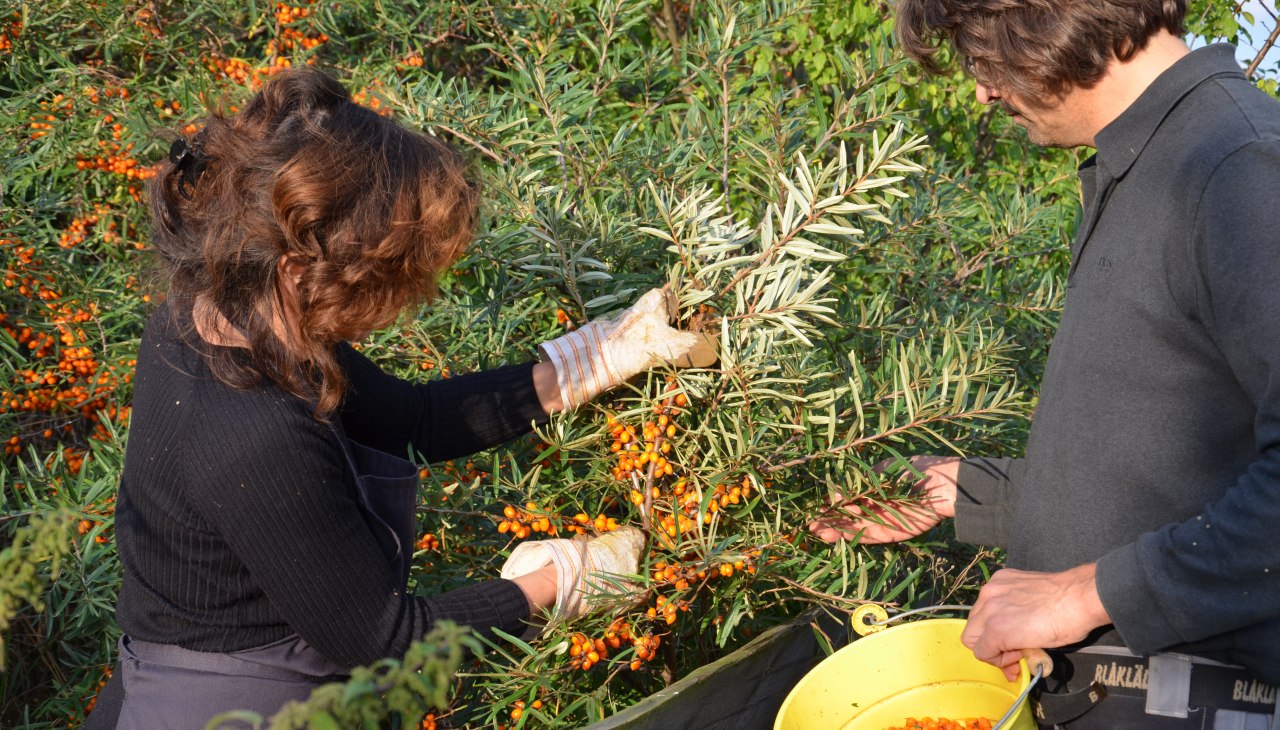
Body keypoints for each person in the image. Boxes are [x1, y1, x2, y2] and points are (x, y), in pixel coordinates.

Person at [86, 67, 711, 729]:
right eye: (389, 274)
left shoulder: (223, 310)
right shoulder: (253, 435)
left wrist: (595, 358)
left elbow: (413, 420)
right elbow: (386, 643)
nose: (407, 300)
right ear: (302, 268)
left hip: (184, 673)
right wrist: (561, 580)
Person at [809, 1, 1280, 727]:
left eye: (980, 54)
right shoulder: (1149, 161)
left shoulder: (1238, 168)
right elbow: (1176, 467)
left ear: (1047, 17)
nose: (983, 91)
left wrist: (1082, 596)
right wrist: (967, 493)